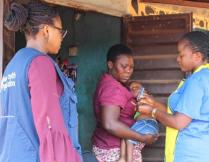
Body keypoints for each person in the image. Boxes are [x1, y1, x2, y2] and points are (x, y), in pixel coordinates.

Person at [0, 2, 82, 162]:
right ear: (46, 30)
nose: (62, 37)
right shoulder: (40, 63)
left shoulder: (12, 66)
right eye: (60, 31)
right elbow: (50, 125)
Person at [138, 31, 209, 162]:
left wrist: (152, 112)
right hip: (208, 150)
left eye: (181, 55)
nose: (177, 59)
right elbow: (182, 113)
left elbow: (178, 122)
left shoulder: (196, 81)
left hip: (192, 153)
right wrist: (153, 103)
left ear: (197, 56)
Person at [92, 44, 158, 162]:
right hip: (113, 149)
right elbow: (110, 124)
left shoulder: (114, 83)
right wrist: (143, 137)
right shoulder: (112, 88)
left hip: (115, 146)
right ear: (110, 65)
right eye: (124, 66)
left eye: (131, 67)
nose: (128, 71)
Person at [118, 81, 159, 162]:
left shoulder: (145, 100)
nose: (134, 89)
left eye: (137, 87)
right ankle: (122, 158)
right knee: (124, 134)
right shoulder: (133, 104)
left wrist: (143, 96)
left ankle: (126, 159)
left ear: (144, 91)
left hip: (147, 123)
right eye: (131, 89)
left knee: (128, 137)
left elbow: (150, 105)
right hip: (143, 126)